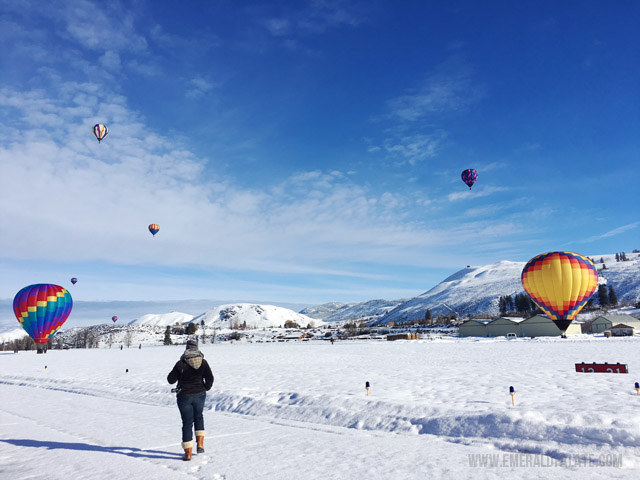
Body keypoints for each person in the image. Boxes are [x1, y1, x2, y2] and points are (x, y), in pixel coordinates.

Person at [167, 339, 214, 461]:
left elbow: (170, 380)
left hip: (184, 396)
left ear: (186, 348)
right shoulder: (203, 362)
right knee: (199, 417)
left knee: (187, 423)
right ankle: (200, 445)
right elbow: (210, 378)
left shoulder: (180, 363)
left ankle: (188, 453)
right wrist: (205, 388)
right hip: (200, 394)